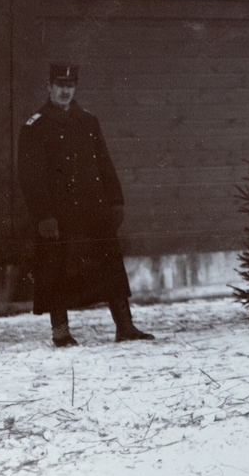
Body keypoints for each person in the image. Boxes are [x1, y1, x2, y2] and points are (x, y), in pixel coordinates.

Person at [17, 63, 154, 347]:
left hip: (93, 208)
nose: (65, 91)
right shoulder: (35, 127)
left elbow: (104, 162)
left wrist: (115, 200)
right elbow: (30, 177)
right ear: (49, 86)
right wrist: (43, 215)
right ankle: (61, 333)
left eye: (70, 85)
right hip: (58, 214)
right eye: (60, 85)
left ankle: (125, 327)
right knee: (56, 268)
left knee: (110, 264)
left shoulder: (88, 121)